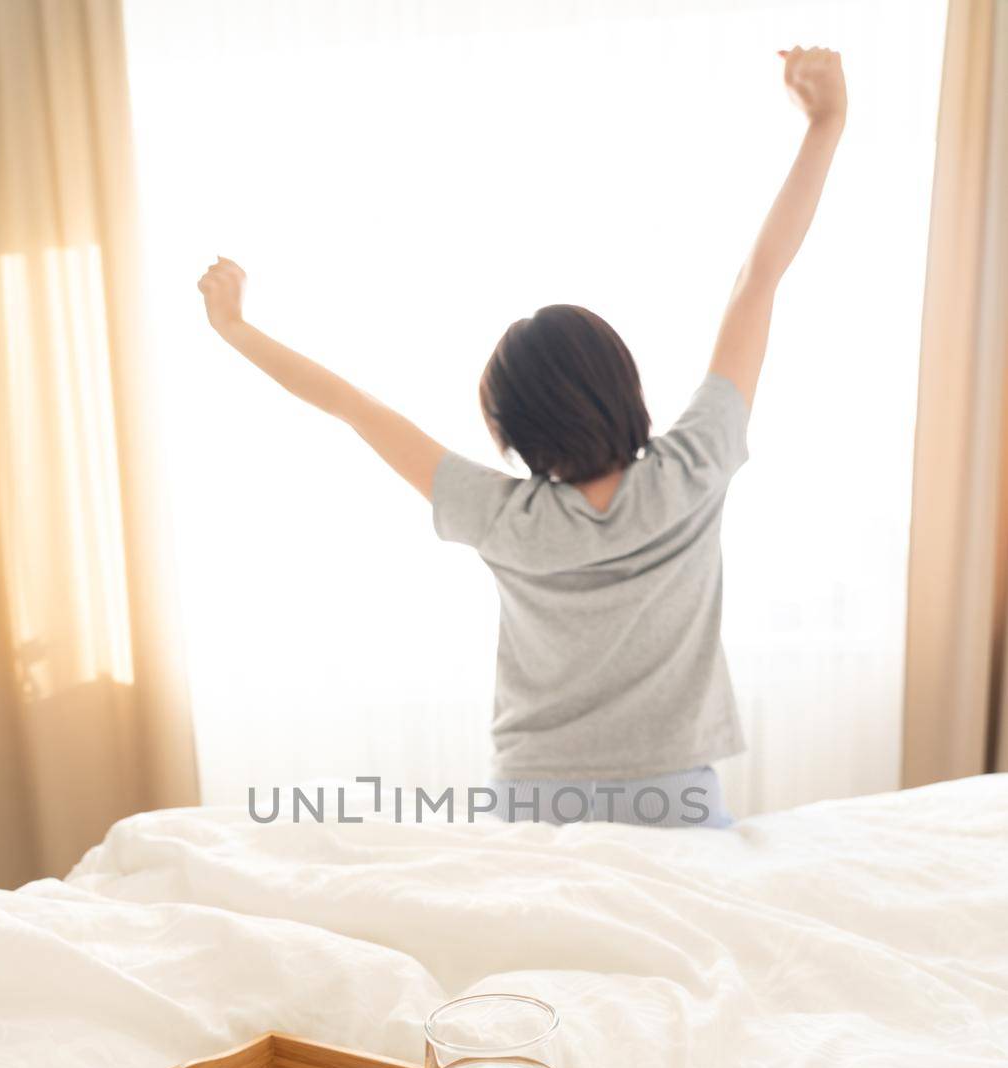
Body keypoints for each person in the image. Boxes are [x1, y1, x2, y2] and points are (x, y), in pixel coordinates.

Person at [198, 46, 847, 828]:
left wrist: (234, 329)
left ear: (507, 425)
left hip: (533, 796)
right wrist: (825, 122)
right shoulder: (693, 468)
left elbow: (345, 401)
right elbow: (758, 279)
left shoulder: (498, 515)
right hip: (674, 793)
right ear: (622, 385)